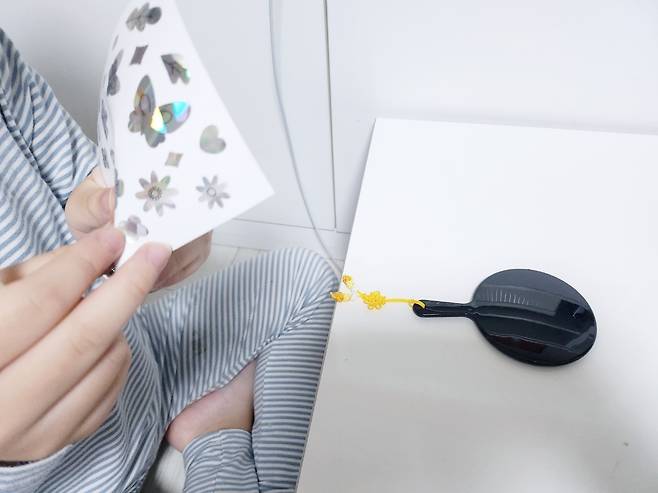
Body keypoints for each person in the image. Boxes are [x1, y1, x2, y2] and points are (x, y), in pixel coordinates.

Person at [0, 28, 336, 492]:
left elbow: (90, 191)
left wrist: (155, 219)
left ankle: (209, 428)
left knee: (304, 278)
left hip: (144, 369)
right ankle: (216, 439)